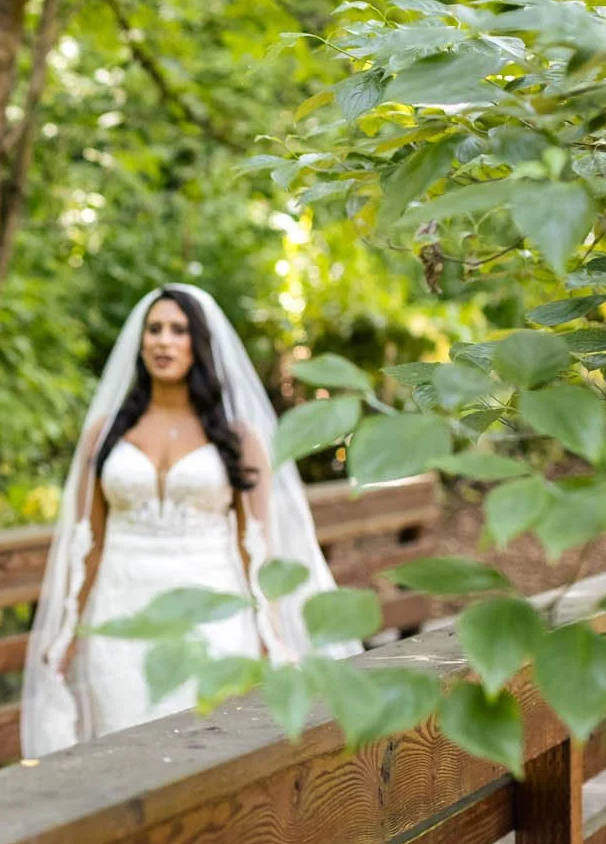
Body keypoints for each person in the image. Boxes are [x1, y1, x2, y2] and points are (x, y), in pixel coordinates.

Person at [21, 284, 356, 758]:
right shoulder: (106, 433)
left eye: (178, 330)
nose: (163, 340)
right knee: (124, 748)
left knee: (204, 750)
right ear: (140, 343)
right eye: (154, 329)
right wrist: (67, 631)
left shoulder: (237, 437)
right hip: (121, 614)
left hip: (213, 614)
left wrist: (271, 632)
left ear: (197, 343)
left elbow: (256, 543)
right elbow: (86, 541)